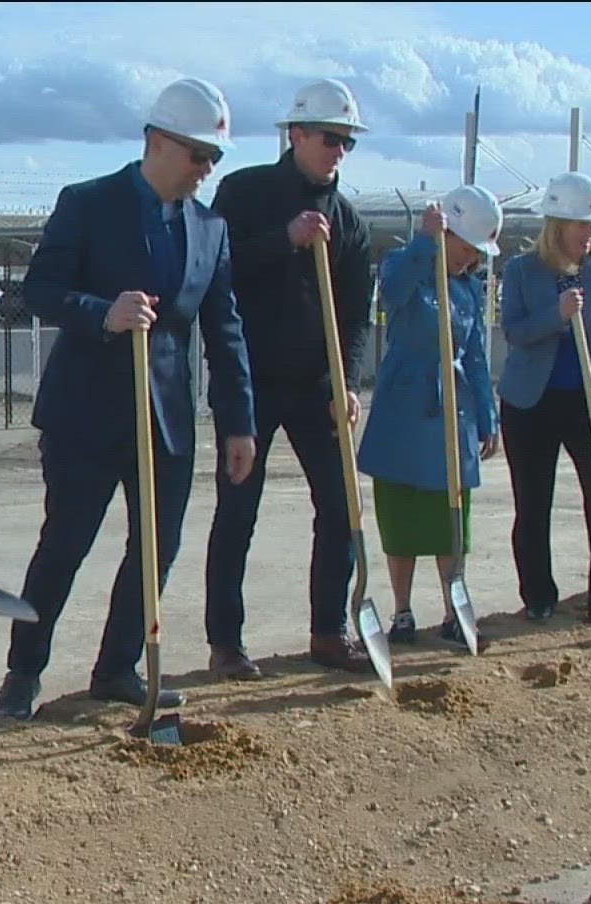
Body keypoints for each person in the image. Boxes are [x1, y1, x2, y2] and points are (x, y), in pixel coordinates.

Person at [0, 78, 258, 720]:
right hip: (85, 413)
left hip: (164, 420)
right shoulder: (88, 203)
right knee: (65, 545)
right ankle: (23, 673)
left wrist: (239, 423)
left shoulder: (211, 229)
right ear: (158, 142)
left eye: (214, 159)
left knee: (156, 550)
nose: (206, 169)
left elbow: (223, 327)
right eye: (198, 155)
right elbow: (41, 289)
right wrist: (101, 313)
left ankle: (117, 668)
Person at [202, 77, 375, 679]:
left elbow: (353, 317)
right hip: (247, 379)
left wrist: (346, 382)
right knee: (238, 509)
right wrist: (286, 240)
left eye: (347, 141)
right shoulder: (244, 192)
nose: (339, 151)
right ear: (295, 133)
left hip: (313, 386)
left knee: (340, 504)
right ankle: (226, 642)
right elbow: (216, 270)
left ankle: (330, 630)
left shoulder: (350, 224)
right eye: (330, 138)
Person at [357, 186, 501, 644]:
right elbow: (391, 294)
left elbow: (475, 354)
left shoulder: (469, 290)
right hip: (405, 405)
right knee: (402, 515)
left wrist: (487, 413)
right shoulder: (408, 267)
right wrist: (424, 243)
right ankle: (401, 611)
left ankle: (453, 607)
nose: (471, 258)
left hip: (450, 410)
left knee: (450, 515)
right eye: (466, 247)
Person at [496, 171, 591, 625]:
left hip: (590, 404)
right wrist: (556, 315)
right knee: (533, 504)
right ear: (556, 226)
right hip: (530, 404)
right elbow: (515, 331)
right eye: (580, 225)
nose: (589, 235)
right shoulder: (520, 271)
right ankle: (538, 595)